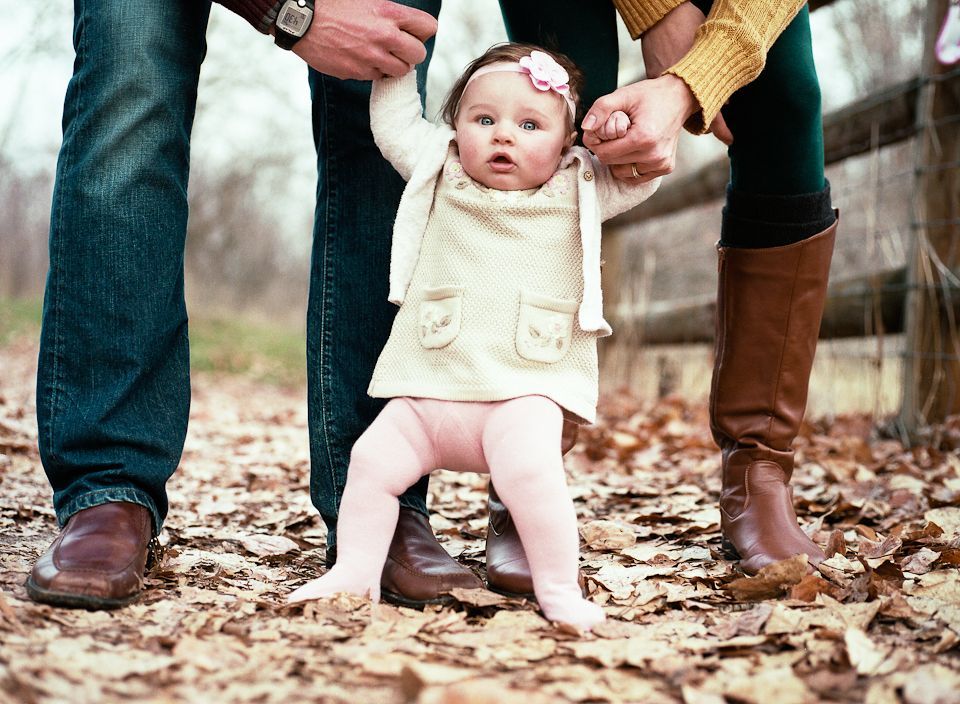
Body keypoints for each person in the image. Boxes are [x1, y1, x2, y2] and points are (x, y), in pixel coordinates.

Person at [286, 43, 659, 631]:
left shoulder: (580, 187)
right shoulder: (441, 169)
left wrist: (629, 132)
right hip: (429, 388)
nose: (503, 136)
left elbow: (641, 178)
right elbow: (392, 125)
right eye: (484, 120)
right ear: (457, 128)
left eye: (530, 124)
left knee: (532, 478)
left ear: (565, 141)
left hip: (521, 392)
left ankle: (559, 588)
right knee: (370, 462)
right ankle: (355, 570)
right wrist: (398, 68)